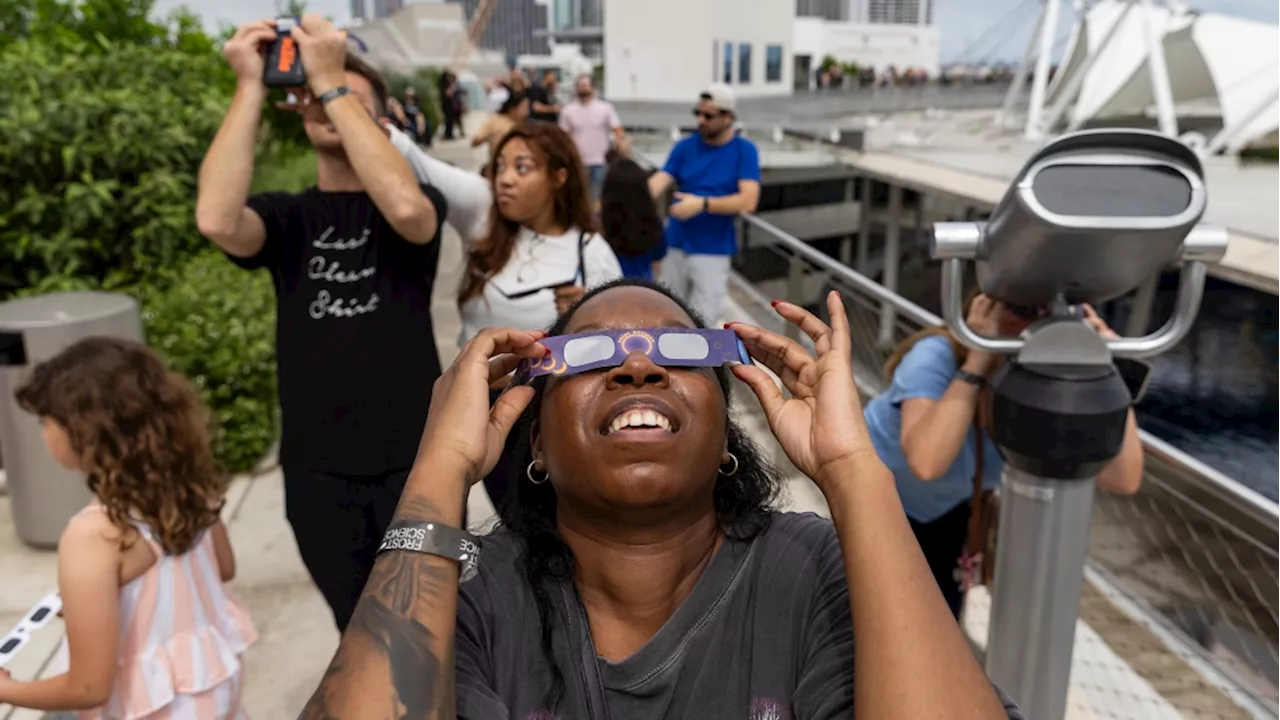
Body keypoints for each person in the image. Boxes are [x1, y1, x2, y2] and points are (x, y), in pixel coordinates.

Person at [297, 278, 1028, 719]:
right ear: (537, 444)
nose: (638, 367)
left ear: (724, 435)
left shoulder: (815, 572)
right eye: (588, 355)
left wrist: (855, 472)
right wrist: (437, 472)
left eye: (680, 351)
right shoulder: (471, 591)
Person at [194, 15, 448, 633]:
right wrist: (250, 84)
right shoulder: (288, 219)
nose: (325, 100)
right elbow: (217, 220)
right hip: (316, 470)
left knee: (432, 622)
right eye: (312, 93)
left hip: (414, 463)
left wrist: (334, 80)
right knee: (354, 623)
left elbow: (411, 210)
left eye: (345, 95)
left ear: (378, 121)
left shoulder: (414, 207)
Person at [0, 337, 256, 718]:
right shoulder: (192, 486)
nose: (43, 434)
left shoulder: (93, 535)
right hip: (212, 698)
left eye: (45, 421)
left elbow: (88, 687)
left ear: (84, 429)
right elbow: (222, 569)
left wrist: (9, 689)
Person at [864, 294, 1145, 618]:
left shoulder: (1041, 388)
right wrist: (978, 360)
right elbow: (926, 462)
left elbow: (1123, 478)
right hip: (878, 496)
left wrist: (1106, 370)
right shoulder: (937, 355)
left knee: (938, 620)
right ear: (983, 308)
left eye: (1053, 314)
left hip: (947, 510)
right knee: (870, 615)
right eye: (1022, 308)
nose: (1035, 324)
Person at [458, 122, 623, 510]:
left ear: (559, 177)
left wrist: (580, 322)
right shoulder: (486, 241)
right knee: (509, 524)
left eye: (521, 167)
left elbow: (623, 347)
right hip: (483, 412)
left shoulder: (591, 251)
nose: (504, 180)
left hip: (548, 417)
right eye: (498, 167)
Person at [648, 83, 761, 325]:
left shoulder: (745, 150)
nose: (700, 120)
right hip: (675, 244)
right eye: (697, 113)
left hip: (712, 249)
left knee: (704, 322)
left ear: (728, 117)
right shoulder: (685, 147)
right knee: (666, 313)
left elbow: (749, 200)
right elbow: (658, 183)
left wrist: (703, 204)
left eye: (708, 115)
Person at [557, 74, 625, 202]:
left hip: (600, 162)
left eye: (586, 85)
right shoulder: (568, 111)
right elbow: (562, 135)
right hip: (578, 162)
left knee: (598, 199)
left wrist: (618, 145)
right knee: (579, 198)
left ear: (593, 88)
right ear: (576, 88)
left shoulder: (605, 108)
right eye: (581, 85)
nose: (583, 89)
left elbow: (617, 128)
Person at [600, 152, 666, 280]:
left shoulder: (601, 223)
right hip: (643, 287)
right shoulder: (653, 222)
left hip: (608, 287)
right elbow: (657, 264)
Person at [472, 90, 529, 158]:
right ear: (512, 108)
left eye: (527, 107)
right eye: (524, 107)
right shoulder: (495, 120)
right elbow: (476, 140)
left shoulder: (526, 124)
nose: (527, 111)